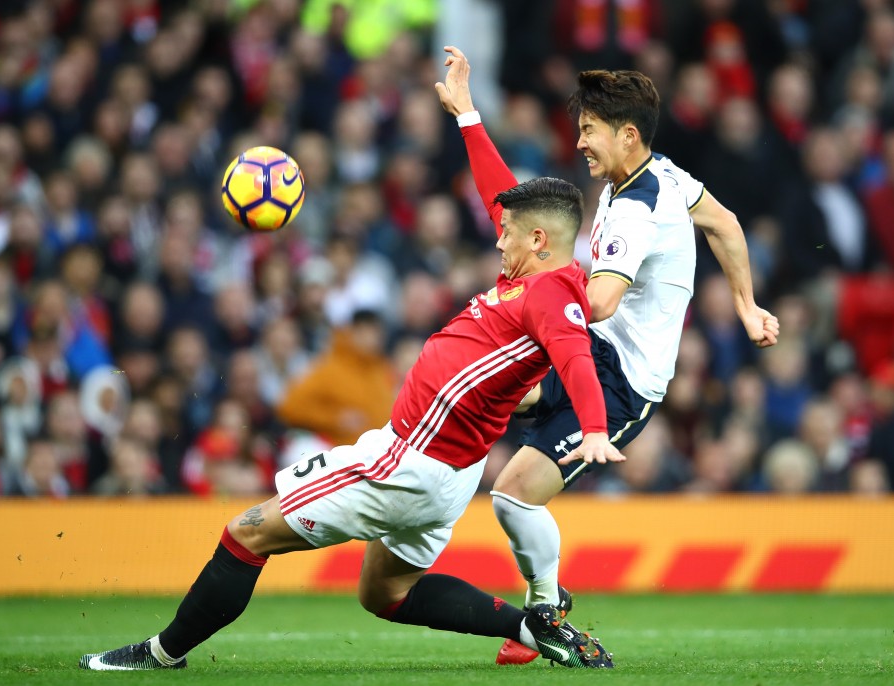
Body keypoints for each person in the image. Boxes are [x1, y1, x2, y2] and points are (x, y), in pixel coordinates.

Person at [78, 74, 625, 670]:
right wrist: (467, 115)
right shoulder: (537, 271)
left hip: (408, 462)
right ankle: (532, 626)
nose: (498, 241)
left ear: (538, 239)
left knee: (247, 532)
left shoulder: (549, 294)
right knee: (384, 593)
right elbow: (501, 195)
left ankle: (160, 654)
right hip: (448, 469)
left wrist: (595, 429)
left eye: (507, 234)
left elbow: (574, 356)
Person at [433, 47, 779, 665]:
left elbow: (599, 302)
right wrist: (747, 306)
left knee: (513, 495)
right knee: (483, 390)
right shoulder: (663, 175)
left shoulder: (636, 209)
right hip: (591, 351)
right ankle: (429, 502)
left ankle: (545, 610)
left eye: (589, 130)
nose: (580, 143)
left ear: (627, 135)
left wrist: (535, 289)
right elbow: (725, 224)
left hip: (624, 382)